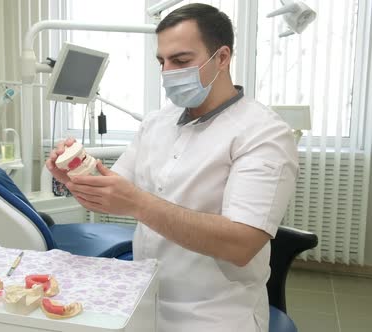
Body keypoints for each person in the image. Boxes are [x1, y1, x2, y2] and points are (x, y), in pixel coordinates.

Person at [46, 3, 299, 332]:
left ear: (222, 58)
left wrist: (138, 202)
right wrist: (77, 177)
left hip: (214, 314)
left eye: (180, 61)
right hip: (144, 299)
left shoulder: (264, 133)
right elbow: (114, 190)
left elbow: (241, 244)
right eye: (161, 61)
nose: (167, 72)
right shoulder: (157, 122)